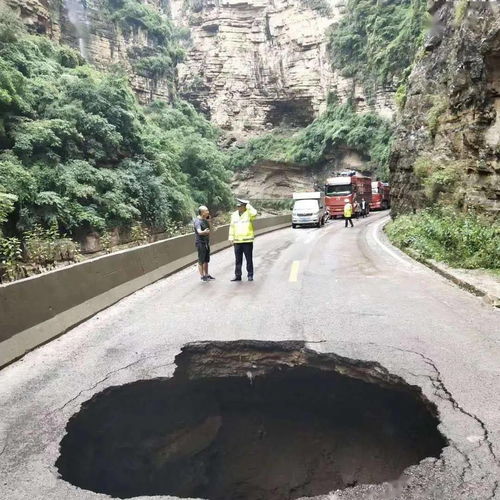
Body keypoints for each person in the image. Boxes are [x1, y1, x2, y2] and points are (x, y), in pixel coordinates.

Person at [229, 199, 257, 281]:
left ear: (244, 206)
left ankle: (250, 275)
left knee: (249, 259)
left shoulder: (249, 214)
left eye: (240, 206)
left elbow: (255, 213)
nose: (238, 208)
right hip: (237, 241)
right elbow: (232, 226)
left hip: (247, 241)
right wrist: (231, 238)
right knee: (238, 260)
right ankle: (238, 275)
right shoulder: (234, 215)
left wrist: (248, 205)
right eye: (237, 206)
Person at [193, 205, 214, 282]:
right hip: (200, 243)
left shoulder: (205, 220)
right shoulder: (197, 221)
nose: (208, 212)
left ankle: (207, 274)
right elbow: (199, 232)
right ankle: (202, 276)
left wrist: (209, 221)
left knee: (206, 259)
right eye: (206, 211)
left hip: (206, 242)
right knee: (201, 259)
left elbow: (212, 229)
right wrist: (204, 232)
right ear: (202, 213)